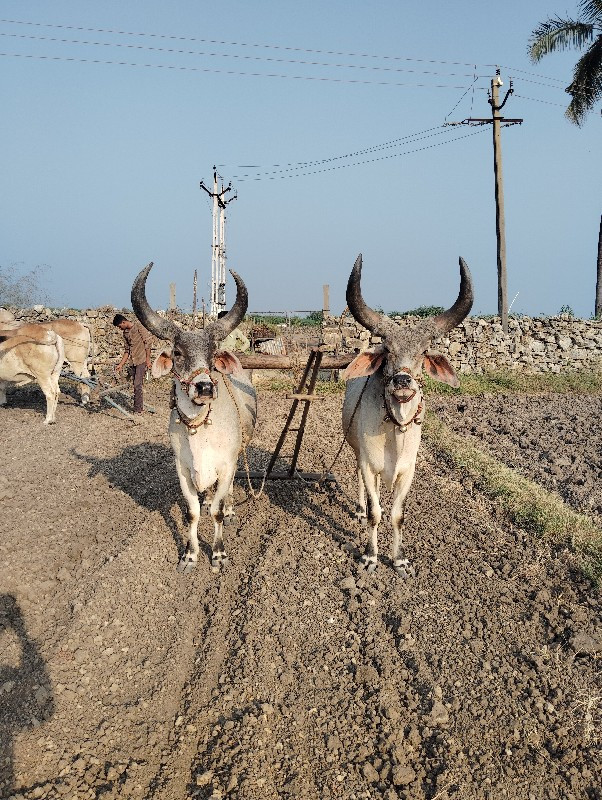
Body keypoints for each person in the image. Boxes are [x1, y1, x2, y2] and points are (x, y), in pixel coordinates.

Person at [112, 313, 152, 413]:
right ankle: (137, 405)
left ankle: (138, 410)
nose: (120, 328)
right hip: (133, 362)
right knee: (136, 385)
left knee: (137, 384)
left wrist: (148, 359)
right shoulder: (125, 334)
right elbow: (127, 351)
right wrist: (121, 364)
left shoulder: (139, 326)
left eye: (119, 326)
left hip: (141, 360)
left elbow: (148, 343)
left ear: (123, 322)